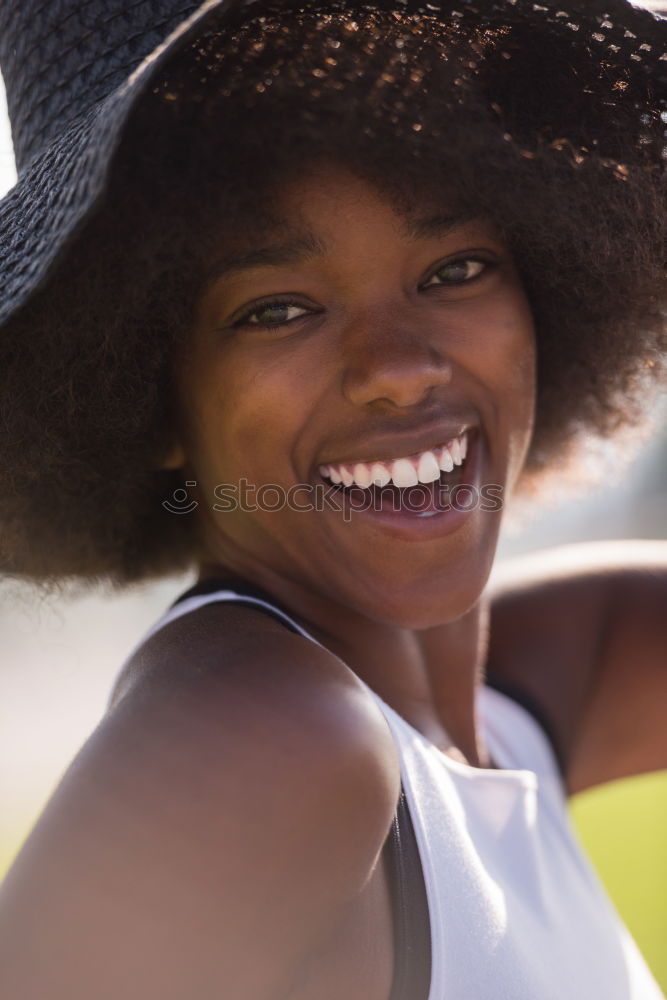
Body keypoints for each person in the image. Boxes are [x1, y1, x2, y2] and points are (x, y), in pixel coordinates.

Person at [0, 0, 665, 997]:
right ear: (152, 395)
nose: (398, 369)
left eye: (455, 268)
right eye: (277, 309)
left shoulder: (516, 700)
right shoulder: (256, 737)